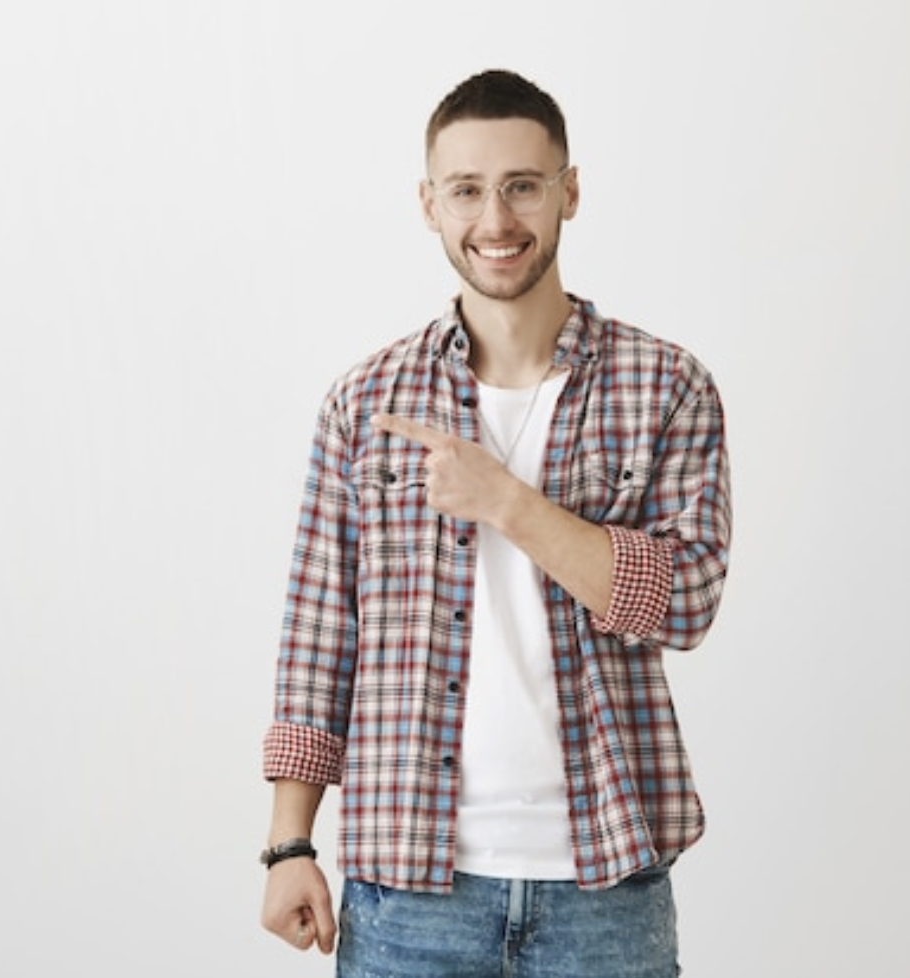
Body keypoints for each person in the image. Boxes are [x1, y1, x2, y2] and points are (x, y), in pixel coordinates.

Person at [259, 68, 731, 978]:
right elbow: (320, 638)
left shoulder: (666, 386)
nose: (496, 219)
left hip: (605, 890)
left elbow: (685, 603)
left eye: (522, 185)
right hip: (408, 891)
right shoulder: (366, 403)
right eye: (467, 190)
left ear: (570, 191)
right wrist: (289, 844)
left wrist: (506, 500)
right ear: (429, 204)